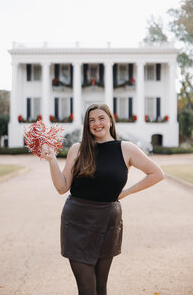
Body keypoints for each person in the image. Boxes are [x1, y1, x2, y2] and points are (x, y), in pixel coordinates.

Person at [41, 103, 165, 295]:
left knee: (100, 286)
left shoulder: (126, 149)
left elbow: (156, 173)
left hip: (108, 221)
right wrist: (51, 161)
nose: (96, 123)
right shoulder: (78, 148)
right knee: (86, 287)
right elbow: (62, 187)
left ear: (110, 121)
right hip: (77, 222)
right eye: (91, 120)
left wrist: (125, 192)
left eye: (101, 118)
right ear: (87, 124)